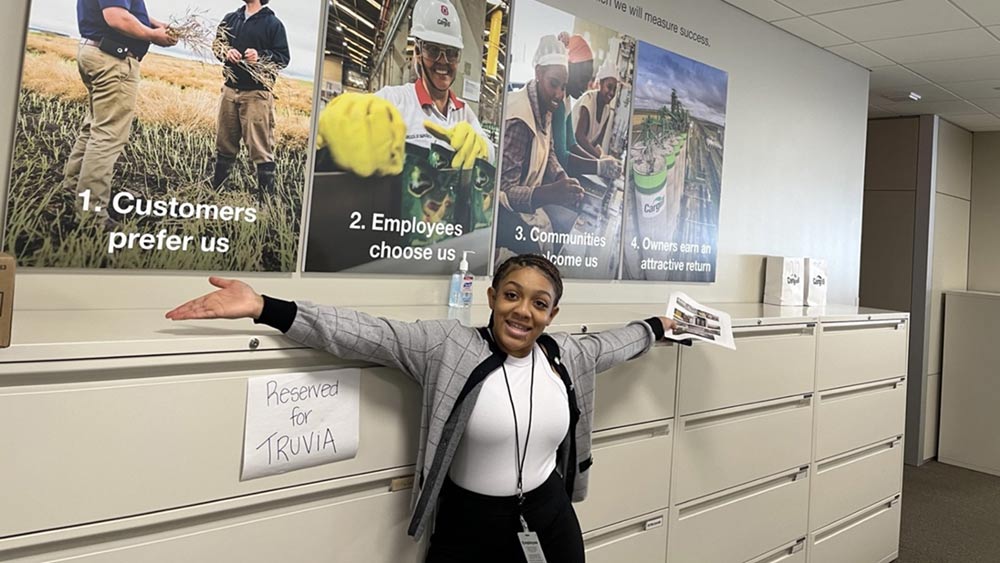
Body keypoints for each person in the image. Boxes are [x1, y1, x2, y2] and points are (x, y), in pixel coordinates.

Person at [165, 253, 675, 562]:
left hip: (549, 516)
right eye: (512, 296)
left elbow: (622, 342)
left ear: (553, 314)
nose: (523, 311)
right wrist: (264, 307)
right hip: (467, 523)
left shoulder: (569, 355)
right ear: (493, 297)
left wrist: (661, 325)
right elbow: (366, 334)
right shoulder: (448, 347)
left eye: (539, 304)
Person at [315, 0, 492, 177]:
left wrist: (483, 149)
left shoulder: (464, 112)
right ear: (417, 52)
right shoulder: (394, 101)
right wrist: (343, 119)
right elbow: (356, 118)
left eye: (452, 53)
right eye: (432, 50)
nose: (443, 61)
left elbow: (490, 152)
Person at [63, 0, 178, 224]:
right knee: (107, 136)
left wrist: (155, 24)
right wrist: (154, 36)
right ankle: (91, 215)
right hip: (113, 59)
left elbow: (123, 9)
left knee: (93, 129)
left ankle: (74, 193)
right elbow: (117, 17)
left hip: (95, 51)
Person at [497, 35, 584, 255]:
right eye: (554, 84)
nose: (559, 94)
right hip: (506, 212)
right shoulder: (519, 117)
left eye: (563, 87)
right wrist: (551, 194)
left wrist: (561, 177)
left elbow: (550, 150)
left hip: (530, 204)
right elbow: (505, 192)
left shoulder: (545, 107)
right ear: (538, 73)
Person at [210, 0, 290, 200]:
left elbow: (283, 57)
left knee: (260, 147)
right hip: (229, 89)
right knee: (224, 142)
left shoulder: (274, 24)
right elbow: (217, 45)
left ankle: (266, 200)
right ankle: (217, 191)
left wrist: (261, 56)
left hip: (257, 93)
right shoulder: (231, 18)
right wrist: (226, 52)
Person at [573, 58, 620, 161]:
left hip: (584, 155)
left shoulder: (607, 111)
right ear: (601, 84)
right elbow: (579, 137)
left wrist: (605, 157)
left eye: (614, 89)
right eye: (609, 87)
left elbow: (597, 143)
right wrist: (600, 158)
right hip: (572, 153)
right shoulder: (588, 100)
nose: (612, 93)